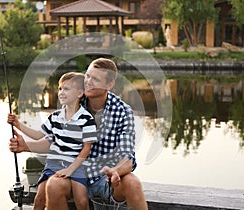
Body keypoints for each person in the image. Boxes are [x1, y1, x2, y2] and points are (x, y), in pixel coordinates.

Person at [9, 58, 148, 210]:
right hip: (74, 175)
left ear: (109, 85)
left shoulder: (123, 111)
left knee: (133, 184)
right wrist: (26, 146)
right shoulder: (73, 103)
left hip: (105, 179)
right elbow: (55, 141)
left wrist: (116, 171)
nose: (88, 81)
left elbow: (128, 156)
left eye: (95, 79)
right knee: (53, 185)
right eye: (87, 76)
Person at [8, 72, 97, 210]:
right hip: (54, 164)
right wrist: (18, 124)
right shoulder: (55, 117)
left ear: (80, 93)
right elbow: (38, 135)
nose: (61, 92)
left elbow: (87, 148)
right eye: (60, 88)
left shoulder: (86, 119)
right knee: (39, 199)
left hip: (77, 166)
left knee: (81, 201)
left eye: (66, 89)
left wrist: (70, 169)